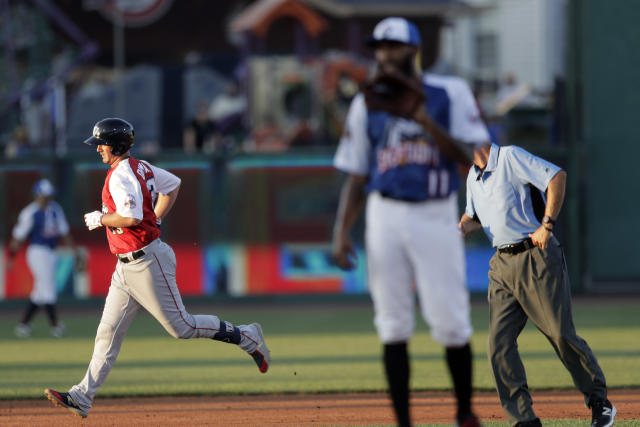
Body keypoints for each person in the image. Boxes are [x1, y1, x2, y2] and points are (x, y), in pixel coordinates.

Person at [44, 117, 270, 418]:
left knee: (183, 327)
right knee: (107, 333)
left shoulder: (121, 175)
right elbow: (173, 185)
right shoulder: (141, 167)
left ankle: (247, 336)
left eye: (101, 144)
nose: (98, 149)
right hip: (126, 267)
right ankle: (82, 396)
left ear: (116, 145)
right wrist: (158, 217)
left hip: (147, 261)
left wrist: (101, 218)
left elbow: (132, 217)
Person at [331, 17, 490, 427]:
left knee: (451, 319)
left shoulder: (448, 92)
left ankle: (464, 413)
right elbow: (357, 173)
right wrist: (341, 233)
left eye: (393, 46)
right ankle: (403, 421)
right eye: (379, 46)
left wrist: (425, 121)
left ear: (413, 50)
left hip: (435, 212)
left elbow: (473, 156)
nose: (384, 53)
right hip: (384, 213)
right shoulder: (366, 102)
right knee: (392, 322)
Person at [458, 142, 616, 427]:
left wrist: (547, 225)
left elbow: (557, 177)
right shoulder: (473, 176)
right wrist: (458, 229)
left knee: (560, 334)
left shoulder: (509, 157)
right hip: (502, 266)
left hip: (535, 257)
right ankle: (524, 419)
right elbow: (474, 219)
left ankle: (600, 402)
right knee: (498, 344)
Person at [8, 179, 74, 338]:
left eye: (49, 195)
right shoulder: (30, 212)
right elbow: (18, 236)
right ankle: (55, 325)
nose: (46, 198)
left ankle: (24, 324)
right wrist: (11, 256)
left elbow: (64, 232)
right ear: (37, 195)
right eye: (44, 195)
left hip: (52, 252)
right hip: (37, 251)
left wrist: (74, 250)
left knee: (39, 292)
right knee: (48, 289)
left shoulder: (55, 209)